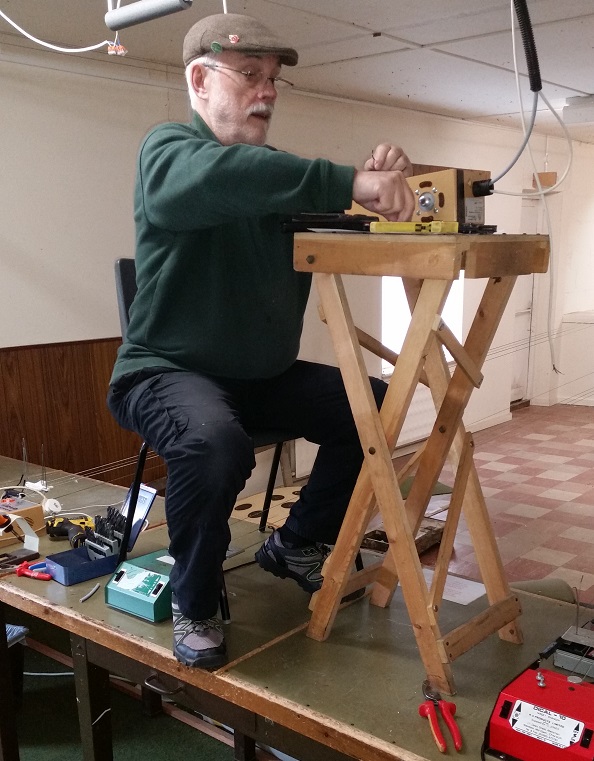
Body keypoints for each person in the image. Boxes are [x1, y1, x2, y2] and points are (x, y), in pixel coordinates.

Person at [107, 12, 415, 670]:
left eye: (273, 79)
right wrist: (349, 181)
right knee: (214, 442)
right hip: (164, 372)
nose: (267, 91)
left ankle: (297, 542)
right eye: (249, 74)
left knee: (377, 404)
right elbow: (226, 178)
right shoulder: (166, 151)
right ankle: (194, 600)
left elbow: (344, 214)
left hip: (259, 377)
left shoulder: (277, 175)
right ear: (199, 80)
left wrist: (388, 187)